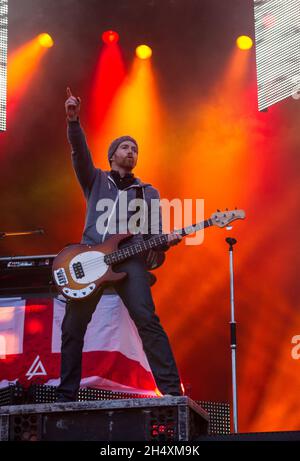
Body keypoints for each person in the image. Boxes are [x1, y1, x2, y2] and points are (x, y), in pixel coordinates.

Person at [56, 88, 182, 402]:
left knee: (147, 320)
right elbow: (79, 154)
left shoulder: (147, 192)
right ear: (113, 154)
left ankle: (170, 392)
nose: (131, 151)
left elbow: (154, 236)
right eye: (125, 147)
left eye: (135, 149)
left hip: (129, 260)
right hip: (90, 259)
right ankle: (67, 393)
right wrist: (74, 121)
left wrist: (165, 243)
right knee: (73, 326)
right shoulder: (96, 179)